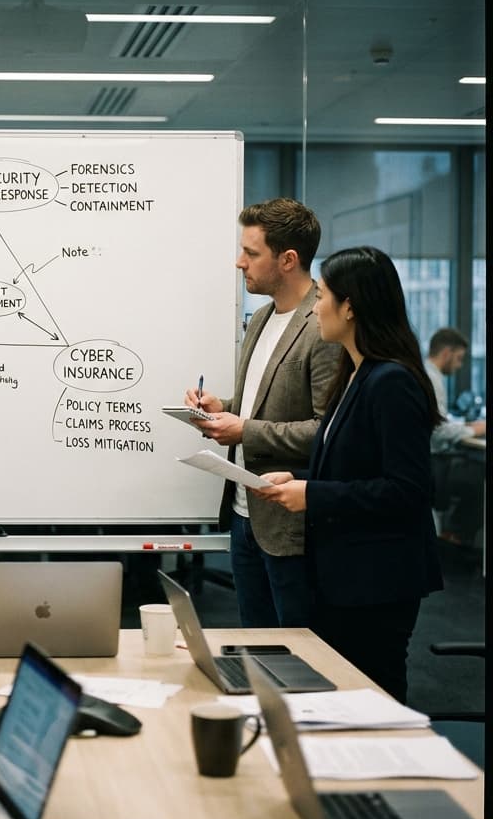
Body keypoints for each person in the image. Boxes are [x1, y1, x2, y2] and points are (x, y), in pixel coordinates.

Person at [253, 246, 444, 703]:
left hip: (376, 583)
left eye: (323, 296)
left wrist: (313, 494)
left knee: (373, 696)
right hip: (343, 575)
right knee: (341, 693)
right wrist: (296, 476)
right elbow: (354, 463)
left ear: (351, 306)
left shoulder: (391, 382)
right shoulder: (355, 373)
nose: (316, 306)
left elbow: (408, 490)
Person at [183, 198, 341, 627]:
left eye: (251, 253)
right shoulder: (261, 318)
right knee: (256, 645)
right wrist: (225, 410)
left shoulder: (324, 324)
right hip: (243, 515)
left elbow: (330, 432)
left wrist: (245, 430)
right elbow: (263, 404)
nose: (239, 263)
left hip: (290, 525)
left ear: (288, 259)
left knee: (297, 652)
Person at [425, 327, 485, 546]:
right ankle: (455, 536)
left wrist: (464, 425)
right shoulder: (432, 379)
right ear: (447, 353)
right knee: (479, 480)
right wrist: (477, 430)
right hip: (432, 463)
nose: (460, 366)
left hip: (430, 460)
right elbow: (438, 432)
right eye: (459, 359)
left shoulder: (425, 373)